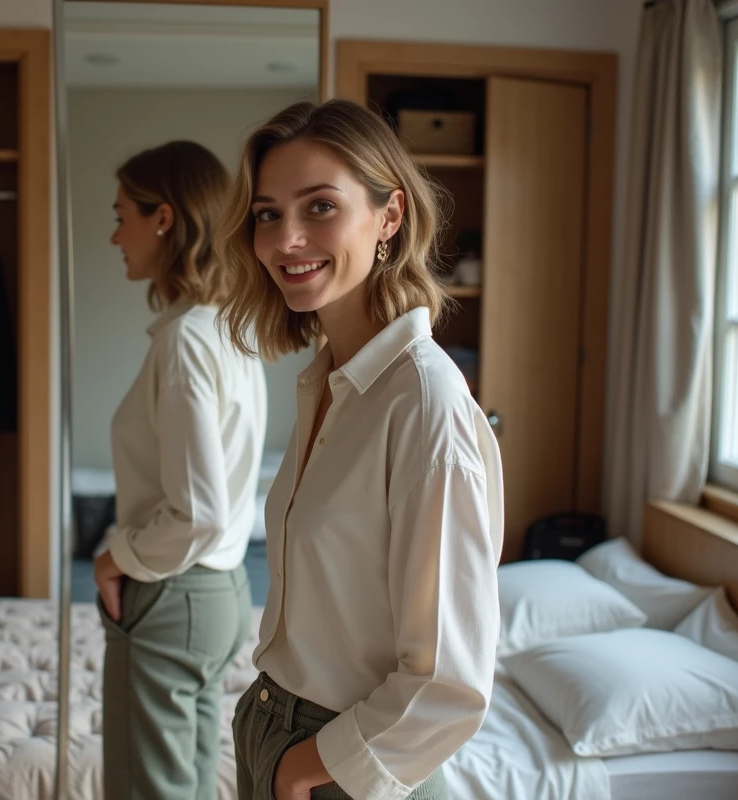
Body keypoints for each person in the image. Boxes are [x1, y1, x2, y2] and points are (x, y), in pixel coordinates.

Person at [220, 100, 504, 800]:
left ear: (390, 216)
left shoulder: (423, 401)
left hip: (345, 760)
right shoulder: (327, 382)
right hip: (276, 727)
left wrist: (304, 767)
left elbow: (449, 679)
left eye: (320, 207)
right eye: (266, 214)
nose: (287, 239)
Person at [94, 140, 268, 799]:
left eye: (122, 215)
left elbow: (200, 512)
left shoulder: (188, 339)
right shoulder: (228, 328)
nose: (115, 235)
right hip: (218, 592)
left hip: (174, 592)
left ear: (163, 218)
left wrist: (117, 556)